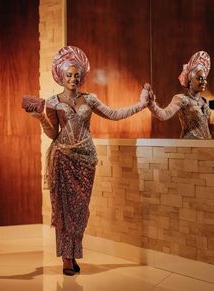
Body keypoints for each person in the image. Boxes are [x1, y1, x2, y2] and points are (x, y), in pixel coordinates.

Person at [25, 46, 150, 276]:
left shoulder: (90, 99)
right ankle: (66, 258)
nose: (73, 78)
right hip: (62, 158)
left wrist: (141, 104)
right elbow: (53, 133)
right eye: (69, 75)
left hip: (86, 160)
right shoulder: (53, 101)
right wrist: (39, 118)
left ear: (81, 76)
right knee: (63, 209)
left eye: (76, 75)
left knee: (80, 209)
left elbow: (114, 114)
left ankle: (74, 252)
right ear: (60, 75)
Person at [148, 50, 213, 139]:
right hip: (189, 148)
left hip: (207, 148)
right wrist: (151, 104)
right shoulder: (181, 99)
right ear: (190, 79)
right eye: (200, 78)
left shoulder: (205, 101)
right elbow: (163, 115)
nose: (204, 82)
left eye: (205, 79)